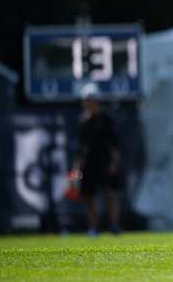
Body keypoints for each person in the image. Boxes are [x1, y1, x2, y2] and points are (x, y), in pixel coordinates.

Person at [73, 83, 122, 236]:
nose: (88, 103)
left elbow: (114, 143)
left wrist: (113, 163)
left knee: (109, 195)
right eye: (86, 100)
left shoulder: (106, 119)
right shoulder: (82, 121)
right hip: (88, 164)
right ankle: (93, 228)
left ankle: (114, 226)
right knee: (89, 197)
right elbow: (80, 148)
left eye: (91, 99)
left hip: (104, 162)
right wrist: (76, 168)